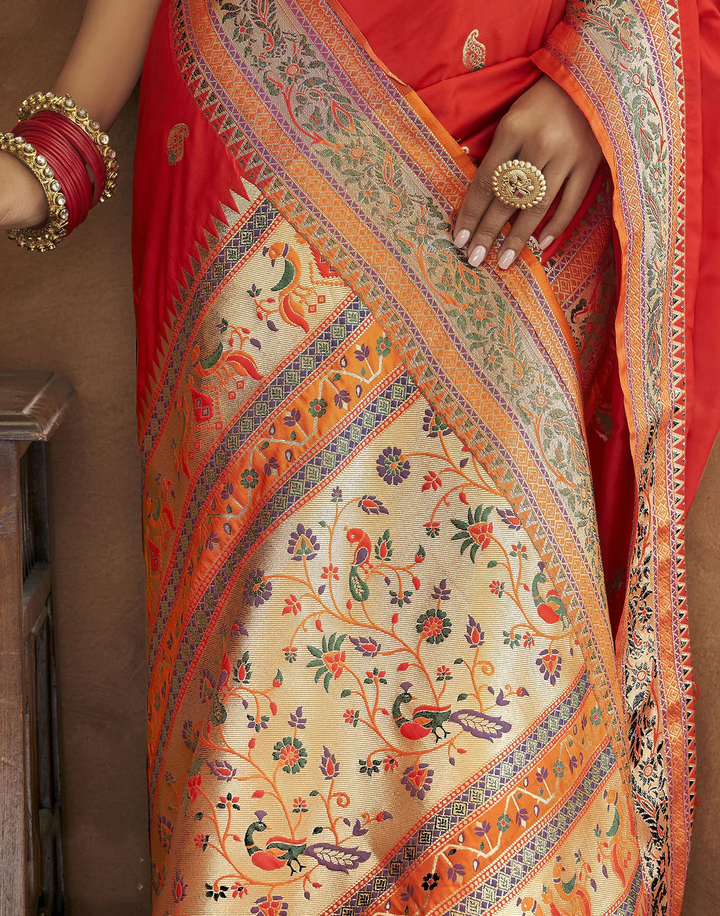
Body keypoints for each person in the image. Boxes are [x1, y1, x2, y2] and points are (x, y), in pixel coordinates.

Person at [1, 0, 718, 913]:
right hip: (258, 143)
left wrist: (596, 78)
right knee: (267, 670)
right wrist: (50, 150)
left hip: (502, 142)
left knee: (502, 652)